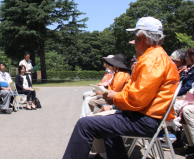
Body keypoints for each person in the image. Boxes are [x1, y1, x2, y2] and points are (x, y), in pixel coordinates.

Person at [63, 17, 179, 159]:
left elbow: (136, 100)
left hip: (144, 120)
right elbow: (138, 93)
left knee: (84, 124)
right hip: (146, 117)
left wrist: (114, 98)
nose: (134, 41)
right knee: (101, 121)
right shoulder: (157, 57)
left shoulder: (152, 60)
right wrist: (115, 99)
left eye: (135, 36)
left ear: (141, 37)